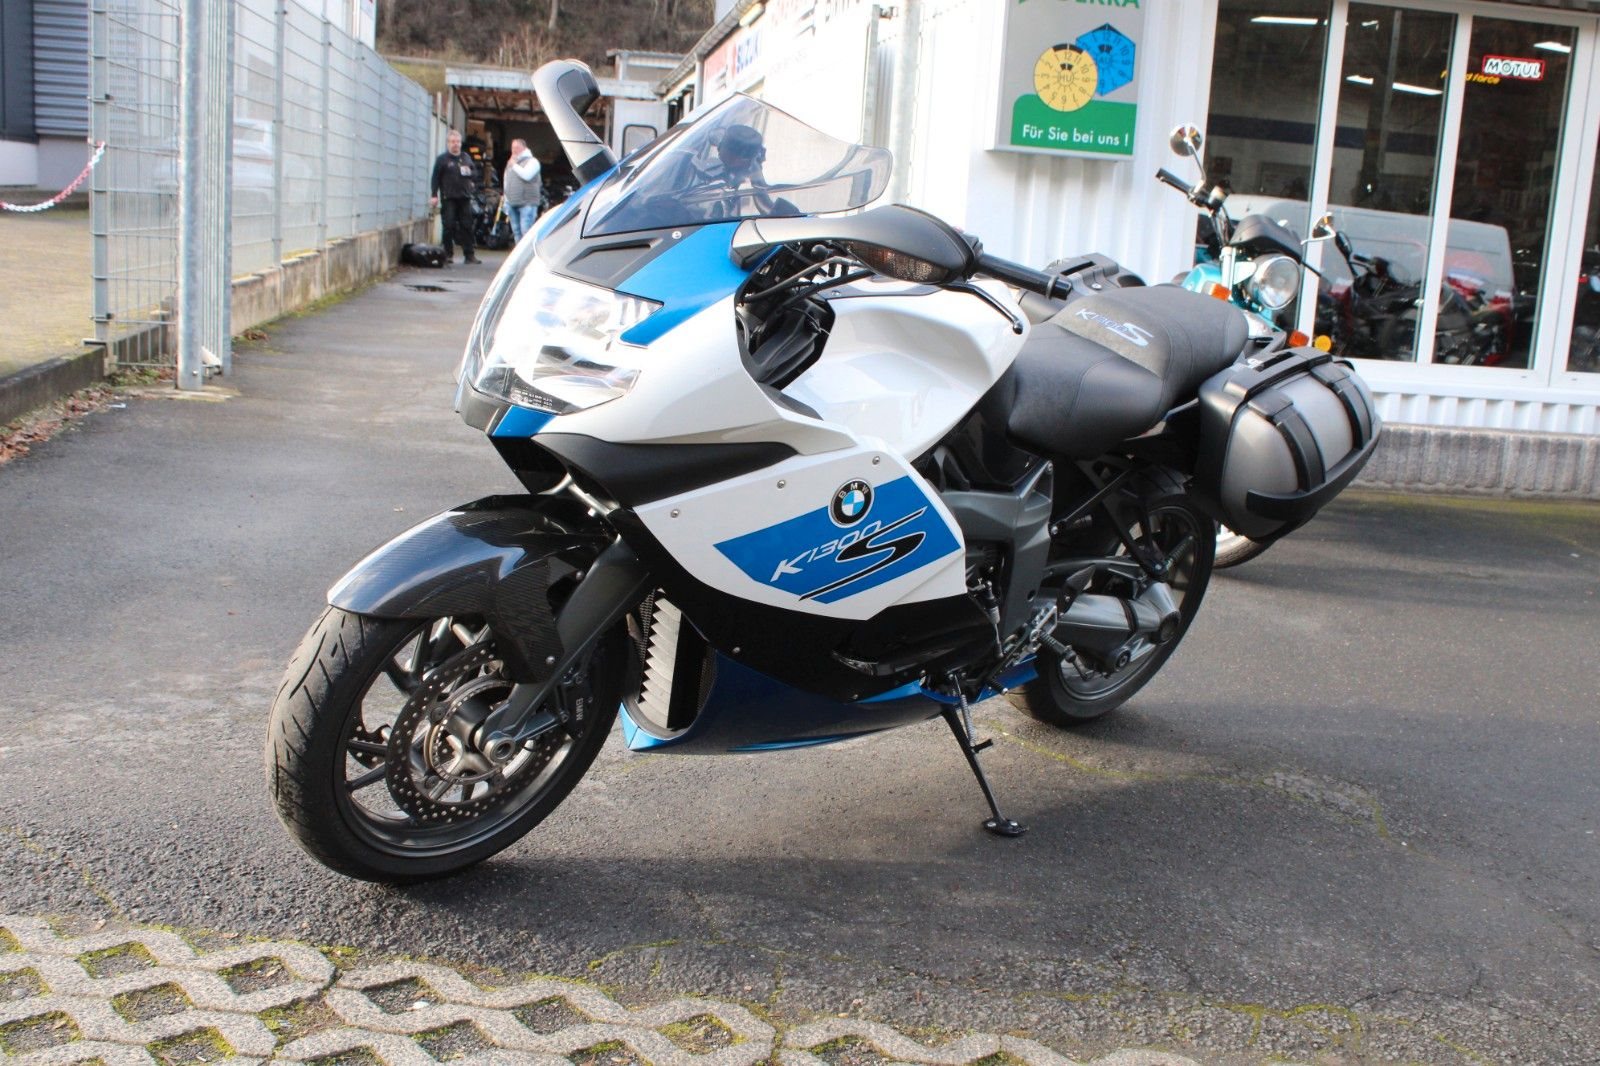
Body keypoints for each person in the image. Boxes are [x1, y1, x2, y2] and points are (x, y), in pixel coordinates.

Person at [430, 129, 480, 264]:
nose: (456, 144)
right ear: (448, 143)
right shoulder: (442, 159)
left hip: (464, 197)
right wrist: (434, 194)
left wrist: (470, 176)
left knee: (467, 225)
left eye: (458, 142)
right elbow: (435, 178)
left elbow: (475, 173)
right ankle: (447, 254)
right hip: (449, 197)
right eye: (453, 142)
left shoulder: (466, 157)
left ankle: (469, 255)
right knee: (448, 225)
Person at [502, 138, 542, 242]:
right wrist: (506, 200)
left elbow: (526, 175)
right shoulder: (511, 163)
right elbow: (506, 181)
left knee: (526, 232)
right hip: (512, 202)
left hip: (527, 203)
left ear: (524, 148)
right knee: (516, 232)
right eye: (513, 147)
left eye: (517, 147)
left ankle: (529, 252)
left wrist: (514, 165)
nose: (514, 150)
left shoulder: (533, 161)